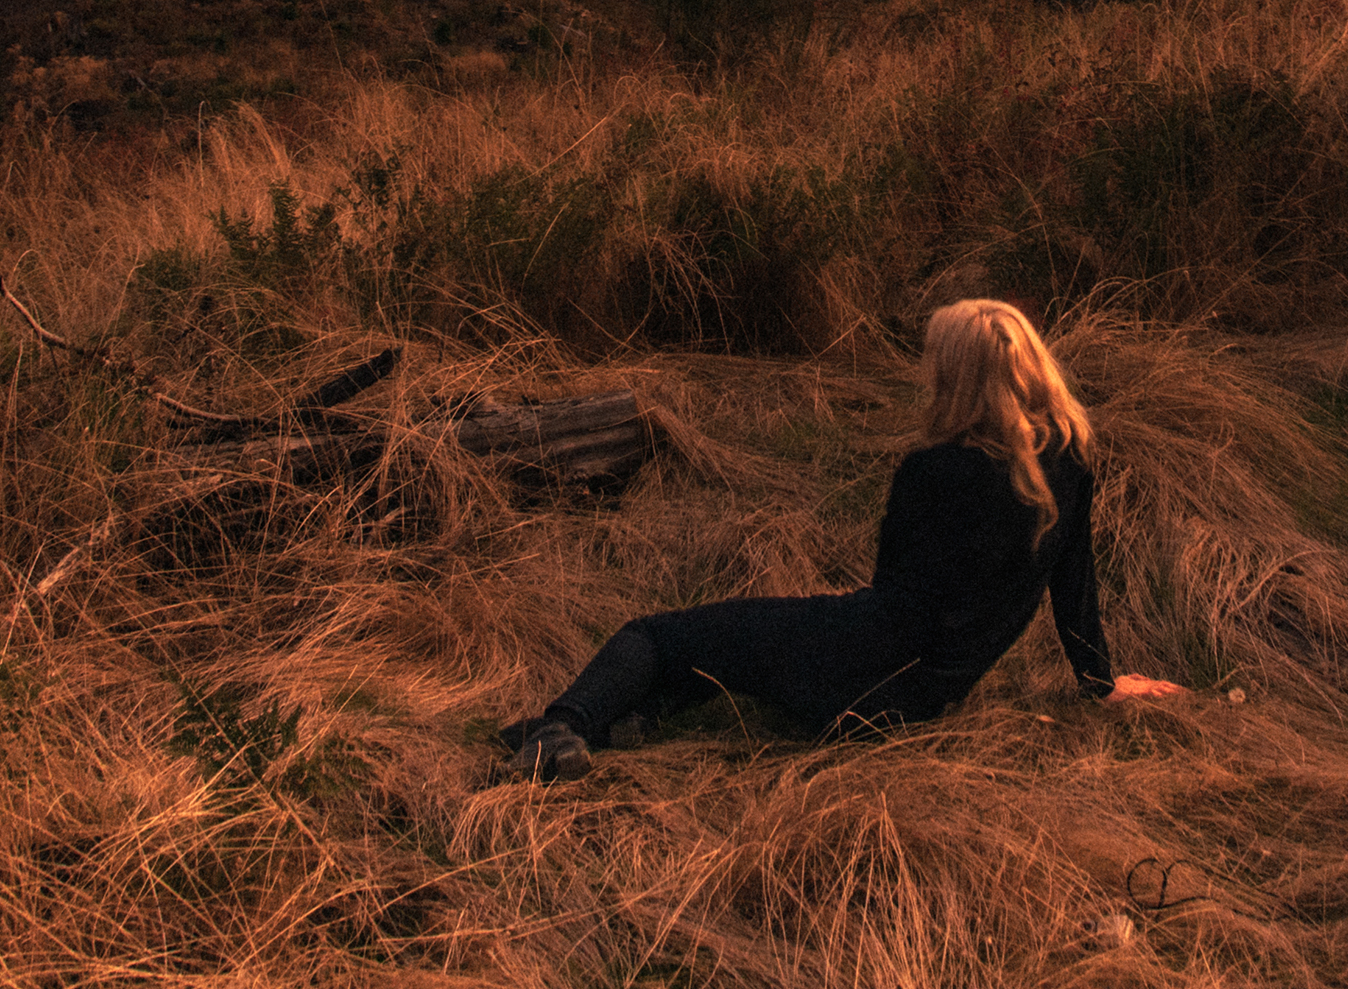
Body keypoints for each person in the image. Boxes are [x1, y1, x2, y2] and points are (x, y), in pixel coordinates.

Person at [505, 297, 1186, 779]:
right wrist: (1101, 681)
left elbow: (892, 596)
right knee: (722, 659)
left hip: (859, 663)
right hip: (923, 696)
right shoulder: (1067, 463)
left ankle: (557, 727)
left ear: (957, 376)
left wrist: (819, 626)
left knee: (658, 635)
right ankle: (632, 721)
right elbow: (1076, 587)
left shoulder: (933, 469)